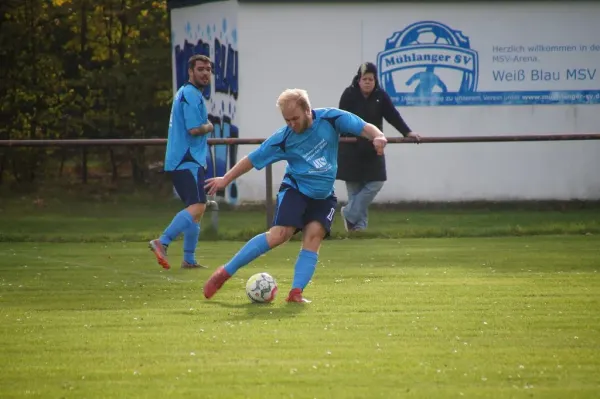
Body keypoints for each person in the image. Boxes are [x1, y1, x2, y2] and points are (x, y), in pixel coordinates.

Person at [203, 88, 387, 303]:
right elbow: (253, 158)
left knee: (314, 236)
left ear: (308, 110)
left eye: (295, 118)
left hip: (324, 194)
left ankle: (295, 293)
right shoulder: (284, 138)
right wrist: (225, 179)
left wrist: (379, 136)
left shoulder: (331, 118)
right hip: (296, 189)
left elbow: (364, 127)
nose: (291, 124)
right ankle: (225, 272)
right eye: (286, 119)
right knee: (279, 235)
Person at [337, 62, 421, 232]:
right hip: (351, 149)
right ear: (358, 80)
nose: (368, 82)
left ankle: (349, 213)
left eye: (371, 79)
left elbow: (393, 116)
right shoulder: (349, 94)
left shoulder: (380, 96)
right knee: (355, 190)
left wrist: (408, 132)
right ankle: (358, 229)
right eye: (364, 79)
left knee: (376, 182)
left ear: (375, 80)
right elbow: (340, 118)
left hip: (374, 148)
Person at [148, 54, 214, 270]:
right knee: (197, 206)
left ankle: (189, 259)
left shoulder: (187, 94)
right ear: (190, 72)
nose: (205, 73)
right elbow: (194, 129)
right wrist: (209, 126)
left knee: (196, 209)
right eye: (201, 69)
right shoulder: (190, 94)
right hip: (187, 161)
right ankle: (163, 242)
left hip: (186, 161)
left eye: (208, 69)